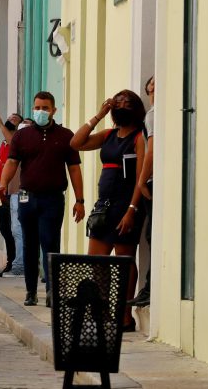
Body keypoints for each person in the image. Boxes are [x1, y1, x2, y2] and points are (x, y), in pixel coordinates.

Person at [0, 91, 85, 307]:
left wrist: (80, 200)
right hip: (28, 198)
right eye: (37, 108)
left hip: (53, 199)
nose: (40, 112)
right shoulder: (22, 136)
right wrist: (2, 183)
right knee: (29, 244)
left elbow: (74, 169)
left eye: (45, 108)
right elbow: (12, 162)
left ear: (53, 110)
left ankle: (51, 292)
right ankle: (30, 291)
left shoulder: (66, 136)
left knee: (50, 243)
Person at [70, 90, 147, 331]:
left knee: (124, 262)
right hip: (104, 207)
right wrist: (99, 115)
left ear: (136, 108)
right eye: (118, 102)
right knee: (98, 263)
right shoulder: (109, 134)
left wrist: (132, 210)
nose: (122, 105)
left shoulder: (139, 137)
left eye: (127, 103)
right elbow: (76, 143)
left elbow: (140, 177)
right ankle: (102, 311)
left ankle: (124, 315)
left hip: (126, 206)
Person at [131, 76, 155, 308]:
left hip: (153, 180)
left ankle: (150, 287)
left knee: (153, 235)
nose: (153, 94)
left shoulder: (153, 115)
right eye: (150, 90)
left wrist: (141, 180)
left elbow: (152, 150)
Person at [0, 112, 23, 276]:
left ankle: (17, 264)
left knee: (17, 229)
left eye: (16, 118)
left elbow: (14, 142)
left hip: (17, 191)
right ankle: (12, 261)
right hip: (3, 191)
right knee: (7, 229)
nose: (12, 118)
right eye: (10, 116)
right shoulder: (4, 143)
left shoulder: (18, 139)